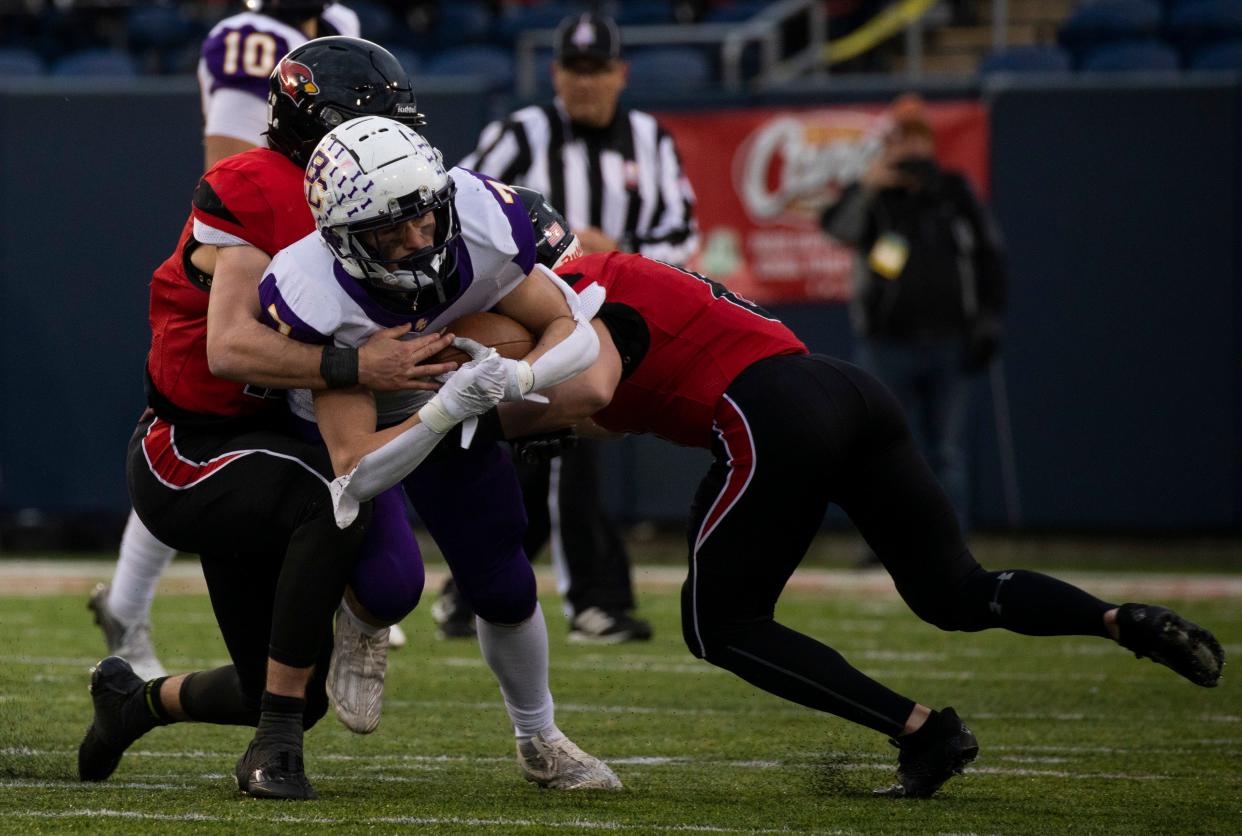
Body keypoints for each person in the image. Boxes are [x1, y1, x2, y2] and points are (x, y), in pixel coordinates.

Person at [497, 240, 1226, 798]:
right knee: (957, 591)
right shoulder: (628, 278)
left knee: (717, 626)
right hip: (848, 391)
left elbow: (589, 392)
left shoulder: (584, 291)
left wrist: (478, 416)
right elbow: (613, 413)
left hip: (766, 413)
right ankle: (1121, 621)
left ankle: (923, 732)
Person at [78, 38, 444, 801]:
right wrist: (355, 367)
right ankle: (272, 754)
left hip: (275, 442)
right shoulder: (253, 185)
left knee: (287, 690)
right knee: (329, 497)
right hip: (190, 444)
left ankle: (132, 703)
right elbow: (229, 347)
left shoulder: (383, 195)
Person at [254, 115, 620, 789]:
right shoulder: (314, 288)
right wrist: (447, 405)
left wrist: (520, 376)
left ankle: (538, 736)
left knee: (504, 579)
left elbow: (572, 327)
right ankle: (360, 620)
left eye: (424, 219)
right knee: (393, 583)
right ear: (341, 239)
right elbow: (355, 471)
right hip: (360, 411)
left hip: (459, 388)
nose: (417, 240)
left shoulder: (479, 215)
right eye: (390, 232)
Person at [86, 1, 392, 680]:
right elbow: (235, 163)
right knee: (214, 419)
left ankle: (133, 616)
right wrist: (267, 233)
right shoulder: (258, 38)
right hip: (253, 243)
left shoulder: (335, 29)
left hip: (293, 229)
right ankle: (132, 610)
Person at [447, 11, 700, 643]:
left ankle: (469, 590)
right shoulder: (519, 134)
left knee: (545, 456)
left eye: (597, 69)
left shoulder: (651, 138)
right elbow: (461, 200)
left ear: (622, 74)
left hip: (620, 312)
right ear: (555, 73)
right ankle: (594, 600)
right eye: (574, 69)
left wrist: (619, 248)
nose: (585, 83)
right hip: (532, 313)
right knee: (565, 446)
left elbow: (684, 235)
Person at [821, 93, 1006, 539]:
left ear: (930, 143)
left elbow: (989, 253)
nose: (910, 151)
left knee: (947, 453)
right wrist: (868, 186)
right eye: (900, 141)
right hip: (887, 342)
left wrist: (989, 317)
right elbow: (836, 228)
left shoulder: (954, 192)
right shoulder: (877, 197)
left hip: (949, 339)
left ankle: (949, 546)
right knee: (883, 448)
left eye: (916, 139)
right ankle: (885, 544)